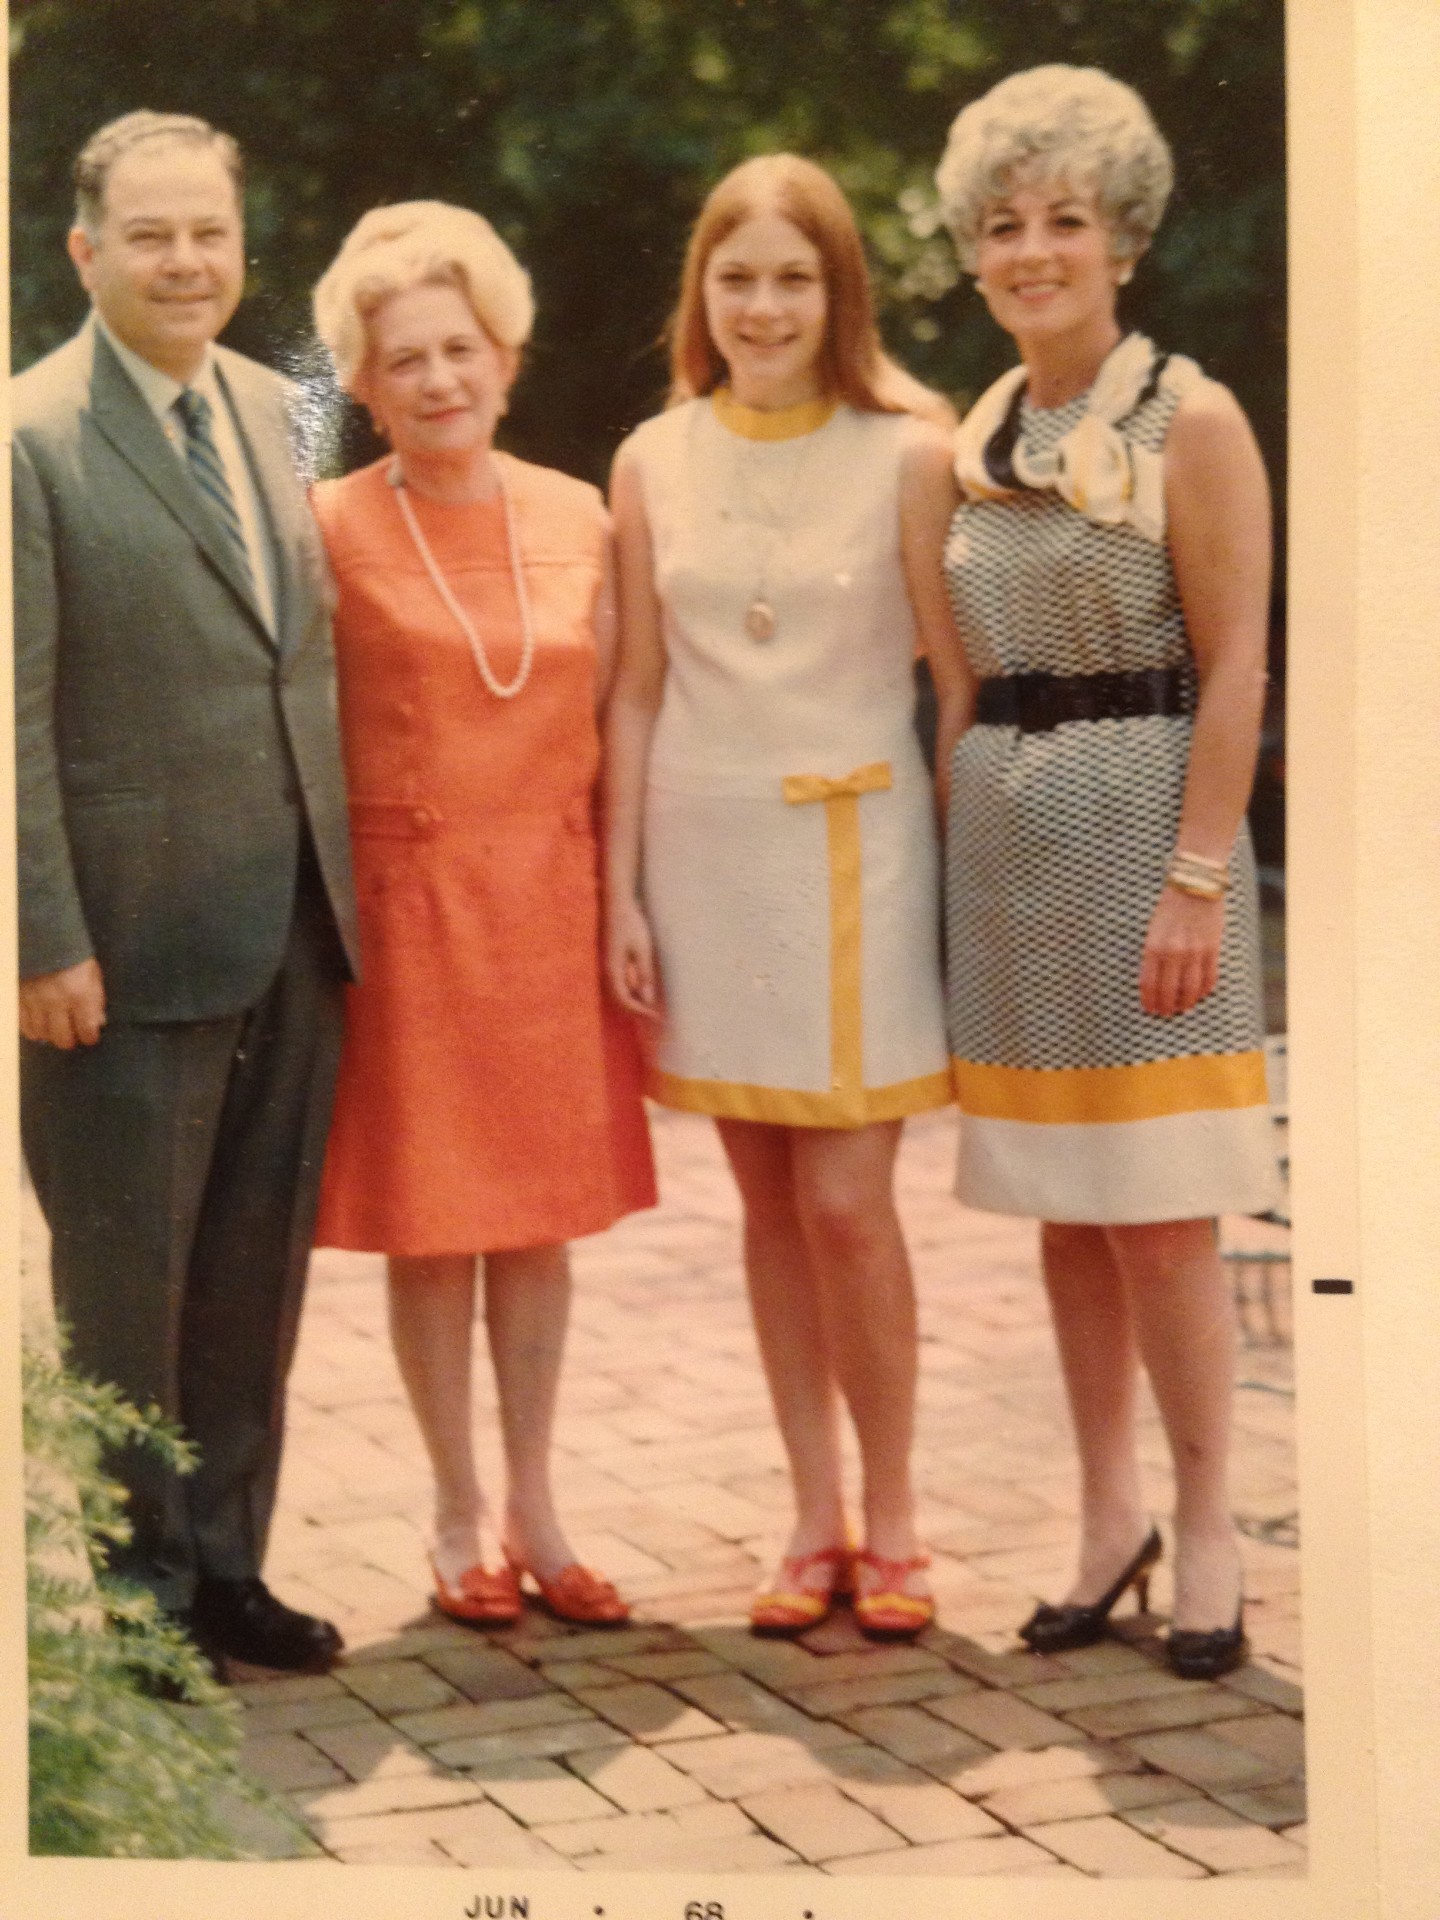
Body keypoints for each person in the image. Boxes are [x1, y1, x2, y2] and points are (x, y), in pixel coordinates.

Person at [934, 66, 1280, 1680]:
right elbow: (959, 672)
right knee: (1063, 1219)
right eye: (1002, 225)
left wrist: (1198, 879)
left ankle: (1211, 1523)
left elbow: (1241, 666)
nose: (1031, 251)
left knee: (1159, 1218)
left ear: (1123, 238)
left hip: (1152, 838)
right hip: (1010, 855)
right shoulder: (979, 431)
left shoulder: (1187, 415)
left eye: (1064, 220)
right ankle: (1104, 1516)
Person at [604, 155, 969, 1640]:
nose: (763, 306)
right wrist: (620, 890)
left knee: (848, 1201)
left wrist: (961, 876)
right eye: (736, 276)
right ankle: (811, 1512)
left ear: (841, 295)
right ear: (702, 292)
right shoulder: (652, 457)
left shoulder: (913, 449)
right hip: (706, 849)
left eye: (793, 278)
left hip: (864, 854)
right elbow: (633, 690)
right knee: (765, 1200)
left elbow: (956, 683)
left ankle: (895, 1516)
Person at [14, 111, 360, 1675]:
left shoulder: (287, 410)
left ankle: (228, 1567)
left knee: (247, 1272)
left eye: (209, 232)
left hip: (293, 919)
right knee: (124, 1283)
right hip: (122, 939)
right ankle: (138, 1604)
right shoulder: (26, 439)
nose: (185, 262)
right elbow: (6, 715)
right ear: (85, 253)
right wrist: (41, 937)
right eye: (150, 235)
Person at [310, 203, 656, 1629]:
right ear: (365, 385)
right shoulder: (323, 524)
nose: (438, 380)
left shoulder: (583, 511)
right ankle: (455, 1510)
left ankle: (540, 1504)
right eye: (405, 362)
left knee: (535, 1222)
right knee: (434, 1223)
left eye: (460, 350)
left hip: (550, 902)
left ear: (505, 358)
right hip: (408, 909)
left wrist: (623, 892)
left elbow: (624, 710)